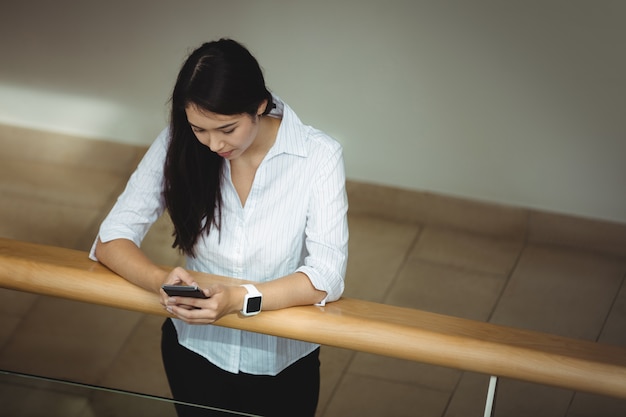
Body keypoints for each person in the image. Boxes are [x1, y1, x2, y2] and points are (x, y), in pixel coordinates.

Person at [89, 38, 348, 416]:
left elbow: (326, 276)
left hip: (281, 363)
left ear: (259, 105)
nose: (213, 144)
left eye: (227, 128)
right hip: (194, 351)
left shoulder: (319, 156)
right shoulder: (180, 142)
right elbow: (111, 239)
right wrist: (163, 281)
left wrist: (238, 300)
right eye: (200, 129)